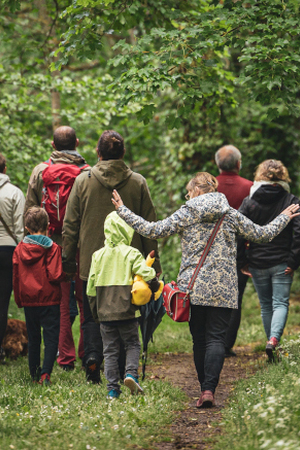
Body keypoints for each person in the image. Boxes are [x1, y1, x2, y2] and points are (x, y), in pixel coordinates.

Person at [111, 172, 299, 408]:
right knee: (217, 339)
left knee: (199, 340)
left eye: (189, 193)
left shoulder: (187, 213)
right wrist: (284, 216)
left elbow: (153, 230)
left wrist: (123, 210)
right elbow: (263, 235)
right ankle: (209, 388)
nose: (187, 196)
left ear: (196, 191)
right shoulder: (230, 214)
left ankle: (204, 389)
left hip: (193, 288)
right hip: (225, 288)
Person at [62, 130, 161, 384]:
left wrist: (68, 262)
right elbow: (149, 225)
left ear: (98, 153)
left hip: (92, 264)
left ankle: (93, 358)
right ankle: (122, 368)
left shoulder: (82, 181)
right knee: (128, 315)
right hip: (130, 266)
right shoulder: (137, 182)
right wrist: (154, 264)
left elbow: (70, 226)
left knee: (91, 315)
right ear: (123, 153)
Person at [25, 126, 88, 371]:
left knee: (61, 302)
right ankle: (87, 352)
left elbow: (31, 212)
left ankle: (65, 358)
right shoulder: (87, 173)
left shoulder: (41, 171)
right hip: (81, 244)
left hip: (51, 245)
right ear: (78, 142)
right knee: (85, 300)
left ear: (53, 145)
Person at [87, 211, 160, 398]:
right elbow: (145, 271)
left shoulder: (97, 256)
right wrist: (154, 279)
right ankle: (130, 374)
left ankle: (112, 390)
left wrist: (96, 314)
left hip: (105, 314)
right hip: (127, 312)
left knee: (110, 351)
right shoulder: (131, 253)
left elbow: (90, 289)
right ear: (127, 230)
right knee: (132, 344)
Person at [237, 160, 300, 361]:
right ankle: (273, 340)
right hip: (283, 262)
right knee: (280, 303)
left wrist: (242, 260)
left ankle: (271, 344)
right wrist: (294, 261)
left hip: (257, 262)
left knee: (266, 305)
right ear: (283, 176)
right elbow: (298, 234)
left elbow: (239, 233)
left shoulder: (249, 202)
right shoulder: (292, 200)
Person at [13, 207, 64, 384]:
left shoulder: (19, 249)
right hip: (50, 299)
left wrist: (20, 300)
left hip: (29, 300)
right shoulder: (53, 248)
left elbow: (16, 277)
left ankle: (34, 376)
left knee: (33, 338)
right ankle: (46, 374)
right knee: (51, 339)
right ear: (48, 226)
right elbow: (55, 275)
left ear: (27, 228)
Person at [215, 145, 253, 357]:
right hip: (240, 250)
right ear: (239, 164)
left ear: (218, 164)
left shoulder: (210, 186)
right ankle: (227, 344)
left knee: (214, 296)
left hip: (213, 249)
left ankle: (213, 340)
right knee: (235, 297)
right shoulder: (250, 187)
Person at [0, 153, 25, 364]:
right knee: (2, 304)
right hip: (7, 251)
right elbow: (20, 229)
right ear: (5, 168)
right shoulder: (14, 193)